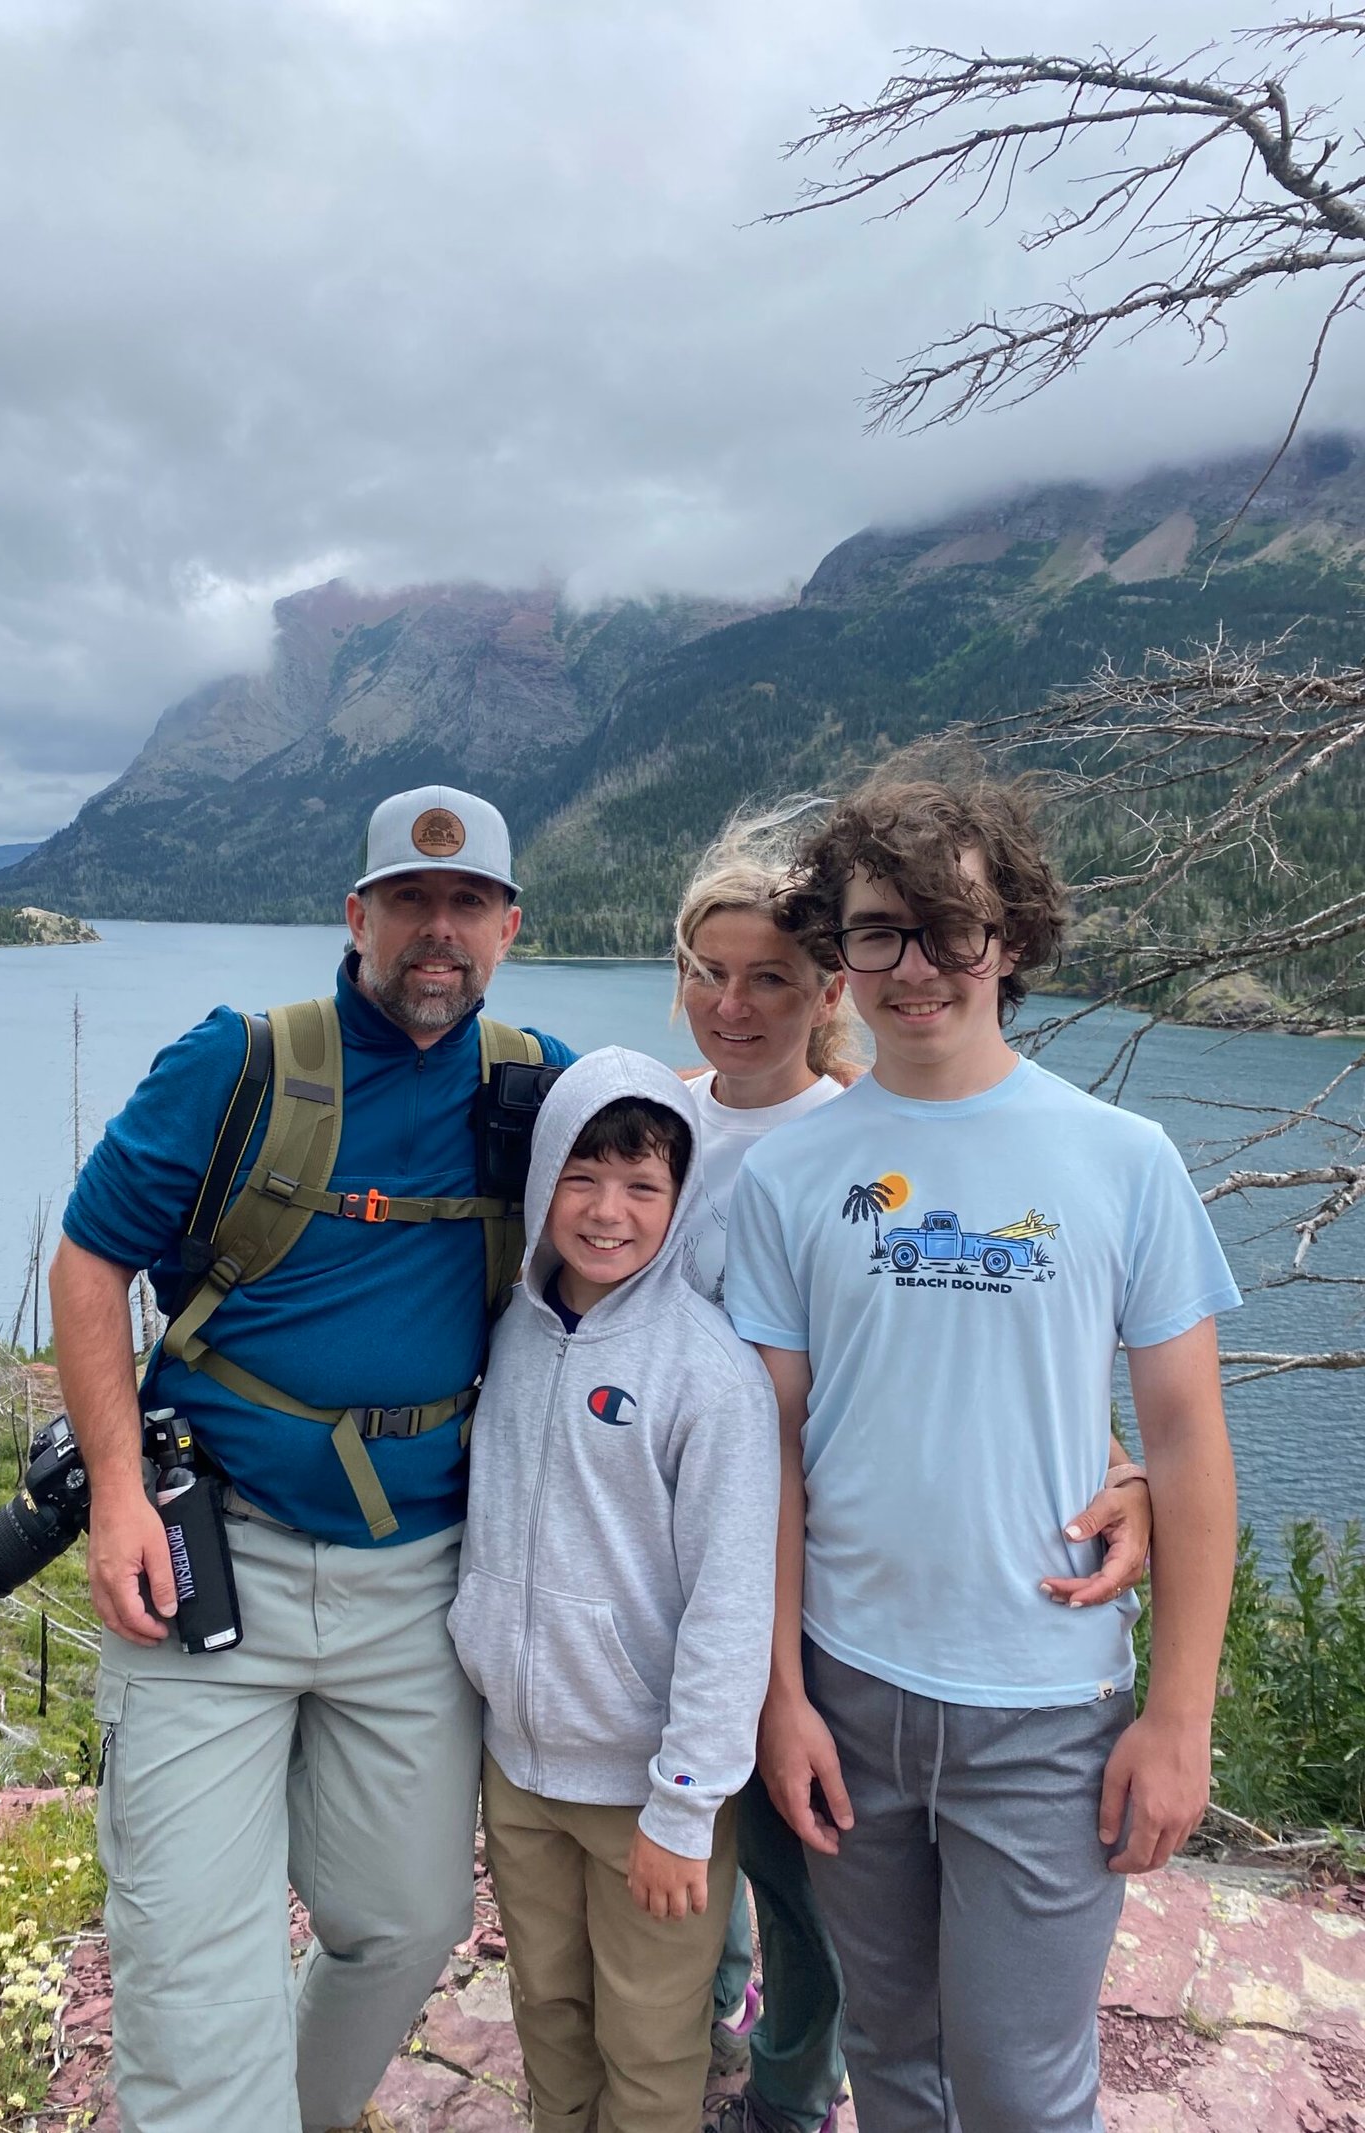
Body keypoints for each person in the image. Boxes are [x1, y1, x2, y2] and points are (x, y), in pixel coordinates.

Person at [48, 785, 573, 2133]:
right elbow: (92, 1256)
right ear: (357, 917)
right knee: (189, 1966)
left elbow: (702, 1198)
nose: (436, 934)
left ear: (510, 926)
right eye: (409, 902)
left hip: (419, 1584)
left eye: (467, 907)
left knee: (402, 1926)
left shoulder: (541, 1089)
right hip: (208, 1569)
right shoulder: (237, 1064)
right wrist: (115, 1489)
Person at [726, 760, 1240, 2133]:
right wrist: (780, 1696)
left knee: (1021, 2088)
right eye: (878, 931)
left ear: (1010, 939)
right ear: (840, 952)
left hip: (1046, 1712)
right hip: (850, 1695)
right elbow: (768, 1453)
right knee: (894, 2058)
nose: (917, 968)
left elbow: (1188, 1447)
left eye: (951, 929)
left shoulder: (1120, 1159)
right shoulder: (787, 1174)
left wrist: (1177, 1719)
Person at [449, 1050, 780, 2133]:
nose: (606, 1212)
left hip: (646, 1788)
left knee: (649, 2044)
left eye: (642, 1186)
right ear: (544, 1173)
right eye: (581, 1175)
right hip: (520, 1767)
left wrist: (685, 1807)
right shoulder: (507, 1328)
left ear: (679, 1201)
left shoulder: (706, 1374)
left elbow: (732, 1604)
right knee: (547, 2011)